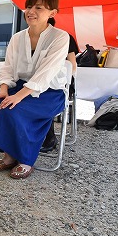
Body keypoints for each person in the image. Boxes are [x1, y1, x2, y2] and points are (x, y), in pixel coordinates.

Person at [0, 0, 69, 179]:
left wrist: (18, 96)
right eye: (29, 6)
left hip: (50, 92)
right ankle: (9, 156)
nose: (31, 11)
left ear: (52, 13)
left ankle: (26, 160)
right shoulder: (17, 38)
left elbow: (46, 72)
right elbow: (8, 67)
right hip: (20, 87)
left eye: (38, 7)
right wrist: (4, 90)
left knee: (13, 109)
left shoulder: (60, 37)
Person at [40, 17, 78, 152]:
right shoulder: (28, 38)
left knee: (43, 96)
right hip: (39, 81)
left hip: (59, 83)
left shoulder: (63, 37)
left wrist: (56, 76)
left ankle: (49, 137)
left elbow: (72, 66)